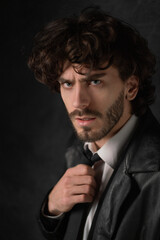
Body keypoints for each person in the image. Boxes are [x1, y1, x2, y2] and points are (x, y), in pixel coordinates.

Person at [28, 6, 160, 240]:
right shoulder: (77, 150)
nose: (78, 102)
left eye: (95, 81)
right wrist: (53, 209)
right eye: (68, 84)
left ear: (130, 87)